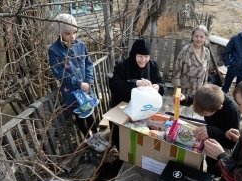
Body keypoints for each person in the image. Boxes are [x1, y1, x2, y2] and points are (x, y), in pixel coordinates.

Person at [48, 13, 109, 152]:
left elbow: (88, 64)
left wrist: (89, 81)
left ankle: (97, 135)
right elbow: (59, 73)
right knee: (80, 117)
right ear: (60, 33)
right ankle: (89, 139)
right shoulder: (54, 50)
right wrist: (78, 83)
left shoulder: (81, 45)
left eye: (75, 32)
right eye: (67, 33)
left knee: (90, 113)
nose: (72, 36)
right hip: (72, 92)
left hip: (86, 88)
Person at [109, 38, 165, 148]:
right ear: (134, 54)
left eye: (146, 57)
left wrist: (157, 87)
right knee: (121, 139)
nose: (143, 60)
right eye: (140, 56)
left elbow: (162, 83)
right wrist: (135, 83)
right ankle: (121, 152)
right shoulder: (123, 66)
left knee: (138, 139)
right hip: (122, 109)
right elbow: (114, 85)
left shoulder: (153, 66)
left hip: (143, 111)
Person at [180, 84, 240, 176]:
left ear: (219, 107)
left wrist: (211, 131)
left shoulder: (232, 111)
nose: (202, 115)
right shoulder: (208, 96)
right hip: (211, 137)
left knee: (215, 168)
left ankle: (212, 179)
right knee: (208, 160)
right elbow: (196, 99)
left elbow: (231, 143)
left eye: (205, 114)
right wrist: (185, 99)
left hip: (220, 147)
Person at [172, 24, 211, 96]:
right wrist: (177, 89)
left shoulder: (207, 52)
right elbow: (177, 70)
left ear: (205, 38)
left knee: (196, 106)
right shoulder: (186, 51)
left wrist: (205, 86)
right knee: (182, 107)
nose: (198, 39)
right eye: (196, 36)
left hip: (199, 90)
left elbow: (206, 71)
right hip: (185, 90)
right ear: (192, 37)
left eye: (201, 37)